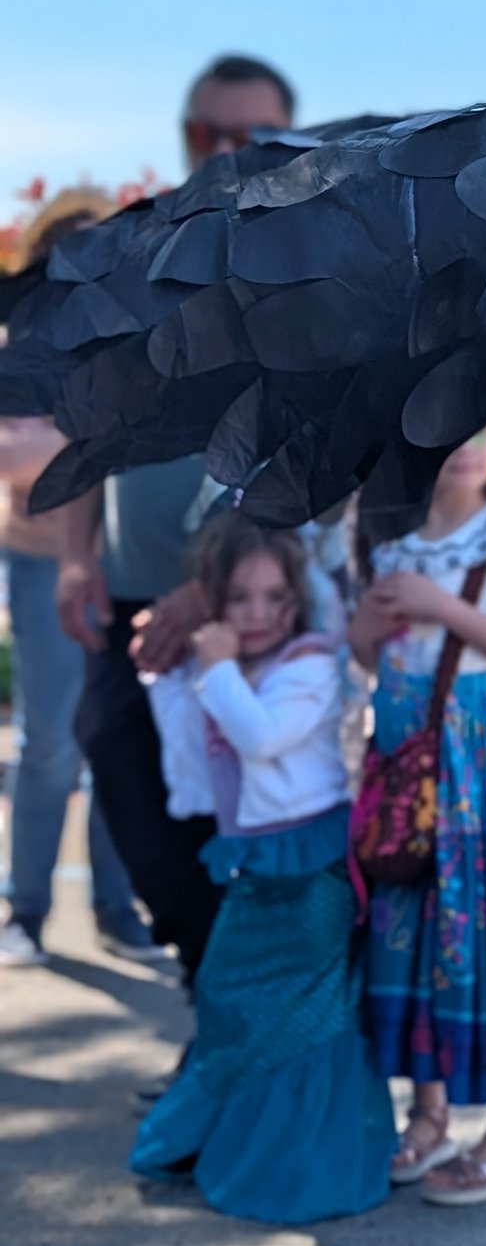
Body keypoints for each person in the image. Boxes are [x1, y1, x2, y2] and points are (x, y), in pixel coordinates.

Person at [55, 57, 299, 979]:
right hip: (128, 598)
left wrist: (214, 591)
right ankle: (216, 997)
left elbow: (311, 456)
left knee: (237, 823)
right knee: (118, 764)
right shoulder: (136, 265)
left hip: (251, 611)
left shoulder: (307, 271)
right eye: (210, 132)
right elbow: (88, 425)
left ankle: (230, 1022)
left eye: (254, 134)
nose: (229, 150)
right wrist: (76, 556)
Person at [132, 514, 394, 1220]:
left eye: (273, 597)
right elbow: (191, 777)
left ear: (296, 599)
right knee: (228, 995)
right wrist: (168, 673)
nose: (256, 613)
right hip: (261, 869)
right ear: (214, 598)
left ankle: (309, 1167)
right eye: (240, 598)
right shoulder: (235, 668)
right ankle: (238, 1146)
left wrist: (215, 668)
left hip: (313, 870)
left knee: (308, 1015)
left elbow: (262, 736)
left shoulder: (310, 662)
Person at [352, 432, 486, 1203]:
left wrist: (437, 606)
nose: (466, 449)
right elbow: (372, 656)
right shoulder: (393, 542)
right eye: (449, 434)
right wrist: (368, 628)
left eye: (480, 432)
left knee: (484, 932)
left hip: (477, 765)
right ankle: (428, 1112)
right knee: (411, 930)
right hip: (410, 765)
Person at [1, 191, 152, 967]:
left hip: (127, 563)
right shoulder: (25, 345)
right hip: (42, 562)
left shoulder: (135, 337)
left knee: (116, 739)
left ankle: (116, 908)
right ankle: (24, 911)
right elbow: (14, 455)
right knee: (51, 742)